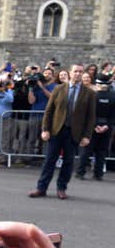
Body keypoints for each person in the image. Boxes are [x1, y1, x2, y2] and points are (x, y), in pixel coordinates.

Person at [29, 64, 96, 199]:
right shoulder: (59, 89)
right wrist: (45, 129)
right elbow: (49, 111)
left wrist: (87, 136)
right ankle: (41, 188)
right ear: (70, 73)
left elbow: (91, 117)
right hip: (56, 130)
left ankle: (61, 188)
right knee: (49, 160)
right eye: (75, 71)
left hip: (74, 132)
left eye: (80, 72)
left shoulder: (89, 93)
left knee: (68, 162)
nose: (78, 74)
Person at [76, 73, 115, 181]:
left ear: (97, 83)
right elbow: (113, 115)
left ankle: (80, 172)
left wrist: (95, 126)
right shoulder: (113, 96)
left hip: (91, 126)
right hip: (107, 127)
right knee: (101, 152)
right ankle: (98, 174)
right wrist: (106, 126)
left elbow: (87, 113)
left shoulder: (92, 95)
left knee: (86, 151)